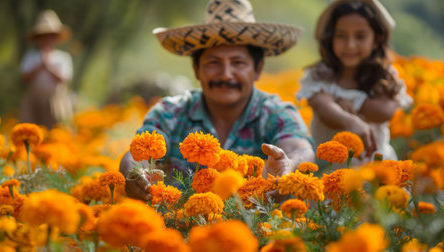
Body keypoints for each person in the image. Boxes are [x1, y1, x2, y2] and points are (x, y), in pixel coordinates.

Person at [120, 0, 315, 201]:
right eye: (213, 63)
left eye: (238, 63)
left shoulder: (277, 113)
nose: (226, 75)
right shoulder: (168, 112)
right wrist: (134, 172)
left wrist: (289, 164)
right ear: (196, 69)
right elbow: (140, 151)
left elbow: (299, 147)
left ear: (257, 69)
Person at [297, 0, 412, 165]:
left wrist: (348, 102)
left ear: (376, 40)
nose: (350, 45)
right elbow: (323, 107)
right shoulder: (321, 74)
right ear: (331, 38)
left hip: (374, 167)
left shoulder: (383, 76)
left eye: (360, 36)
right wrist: (351, 121)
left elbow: (383, 111)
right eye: (341, 36)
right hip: (328, 169)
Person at [19, 9, 75, 129]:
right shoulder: (31, 56)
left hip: (55, 101)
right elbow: (24, 78)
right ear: (38, 38)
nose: (47, 39)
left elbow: (64, 79)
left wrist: (48, 66)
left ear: (56, 38)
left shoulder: (62, 57)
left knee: (56, 130)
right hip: (34, 100)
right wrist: (40, 66)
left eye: (51, 36)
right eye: (44, 36)